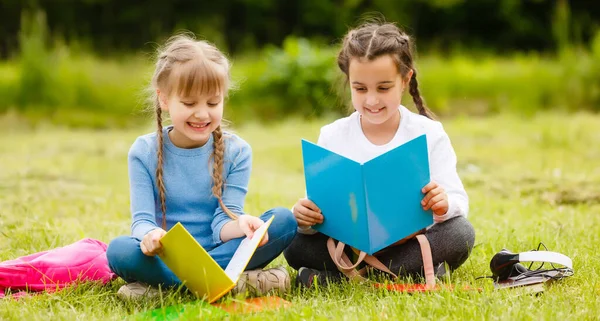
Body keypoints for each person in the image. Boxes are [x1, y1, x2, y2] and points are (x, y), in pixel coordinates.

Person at [283, 22, 475, 287]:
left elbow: (457, 201)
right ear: (349, 82)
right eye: (360, 89)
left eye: (383, 88)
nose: (371, 100)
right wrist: (304, 217)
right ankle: (402, 273)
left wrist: (443, 204)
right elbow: (318, 206)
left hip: (407, 243)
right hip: (348, 248)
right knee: (291, 238)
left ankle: (344, 278)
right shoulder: (333, 135)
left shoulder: (428, 133)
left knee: (460, 233)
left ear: (405, 80)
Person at [106, 34, 297, 299]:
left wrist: (241, 224)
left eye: (212, 102)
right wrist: (150, 237)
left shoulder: (237, 151)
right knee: (119, 250)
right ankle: (231, 284)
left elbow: (222, 224)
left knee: (283, 220)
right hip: (167, 260)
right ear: (164, 99)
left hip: (222, 251)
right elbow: (141, 221)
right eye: (189, 103)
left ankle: (167, 289)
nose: (202, 114)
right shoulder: (144, 151)